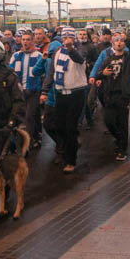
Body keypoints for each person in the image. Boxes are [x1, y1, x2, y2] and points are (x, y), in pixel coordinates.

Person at [41, 28, 89, 172]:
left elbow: (79, 59)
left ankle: (71, 160)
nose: (66, 39)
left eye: (69, 37)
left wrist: (70, 49)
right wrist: (44, 90)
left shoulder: (81, 49)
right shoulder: (58, 52)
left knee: (70, 127)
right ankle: (67, 148)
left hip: (76, 93)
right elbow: (52, 72)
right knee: (59, 125)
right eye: (64, 37)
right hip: (61, 93)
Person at [93, 32, 130, 160]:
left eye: (121, 41)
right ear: (113, 45)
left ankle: (122, 149)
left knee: (122, 123)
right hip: (109, 94)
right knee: (108, 121)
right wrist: (102, 74)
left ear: (124, 44)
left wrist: (128, 39)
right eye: (116, 41)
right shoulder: (108, 59)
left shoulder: (128, 57)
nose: (119, 43)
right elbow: (98, 73)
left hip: (123, 94)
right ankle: (119, 139)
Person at [9, 31, 44, 148]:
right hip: (19, 91)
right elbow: (10, 71)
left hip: (34, 91)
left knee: (29, 116)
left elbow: (43, 73)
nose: (25, 42)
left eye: (28, 39)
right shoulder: (16, 55)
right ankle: (35, 136)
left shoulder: (39, 56)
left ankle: (28, 142)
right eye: (23, 39)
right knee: (25, 116)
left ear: (32, 41)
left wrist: (43, 92)